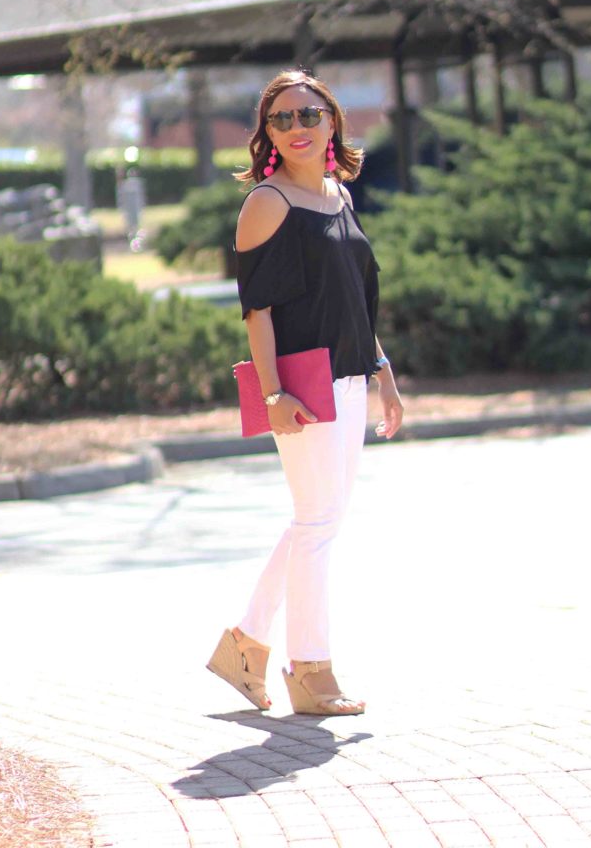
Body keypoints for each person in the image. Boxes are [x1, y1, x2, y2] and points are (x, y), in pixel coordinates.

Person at [206, 69, 403, 716]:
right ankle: (310, 672)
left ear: (332, 122)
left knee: (317, 521)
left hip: (348, 375)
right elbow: (256, 311)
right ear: (265, 133)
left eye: (308, 115)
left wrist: (382, 370)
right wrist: (271, 395)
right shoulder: (267, 203)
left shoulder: (338, 195)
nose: (296, 127)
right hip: (303, 384)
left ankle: (244, 647)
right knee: (318, 524)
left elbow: (354, 299)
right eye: (281, 118)